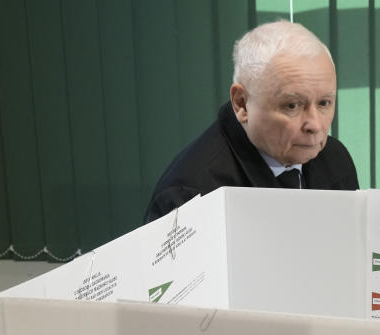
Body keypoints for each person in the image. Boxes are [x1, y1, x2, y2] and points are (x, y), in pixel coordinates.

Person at [144, 20, 359, 224]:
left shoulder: (335, 159)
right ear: (242, 104)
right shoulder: (191, 194)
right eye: (292, 105)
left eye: (324, 103)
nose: (315, 125)